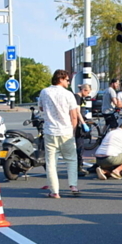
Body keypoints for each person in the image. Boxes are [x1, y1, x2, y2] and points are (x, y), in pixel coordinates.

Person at [37, 69, 80, 198]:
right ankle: (73, 185)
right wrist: (73, 130)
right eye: (67, 80)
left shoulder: (44, 92)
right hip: (66, 131)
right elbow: (74, 116)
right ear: (60, 79)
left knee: (51, 163)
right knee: (71, 159)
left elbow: (41, 108)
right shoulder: (68, 95)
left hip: (50, 131)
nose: (68, 82)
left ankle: (54, 191)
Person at [74, 83, 93, 176]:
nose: (88, 94)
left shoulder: (79, 98)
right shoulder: (77, 97)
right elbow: (77, 111)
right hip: (78, 125)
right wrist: (83, 123)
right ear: (84, 90)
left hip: (78, 124)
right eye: (88, 92)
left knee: (79, 145)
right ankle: (78, 168)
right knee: (79, 146)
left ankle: (78, 166)